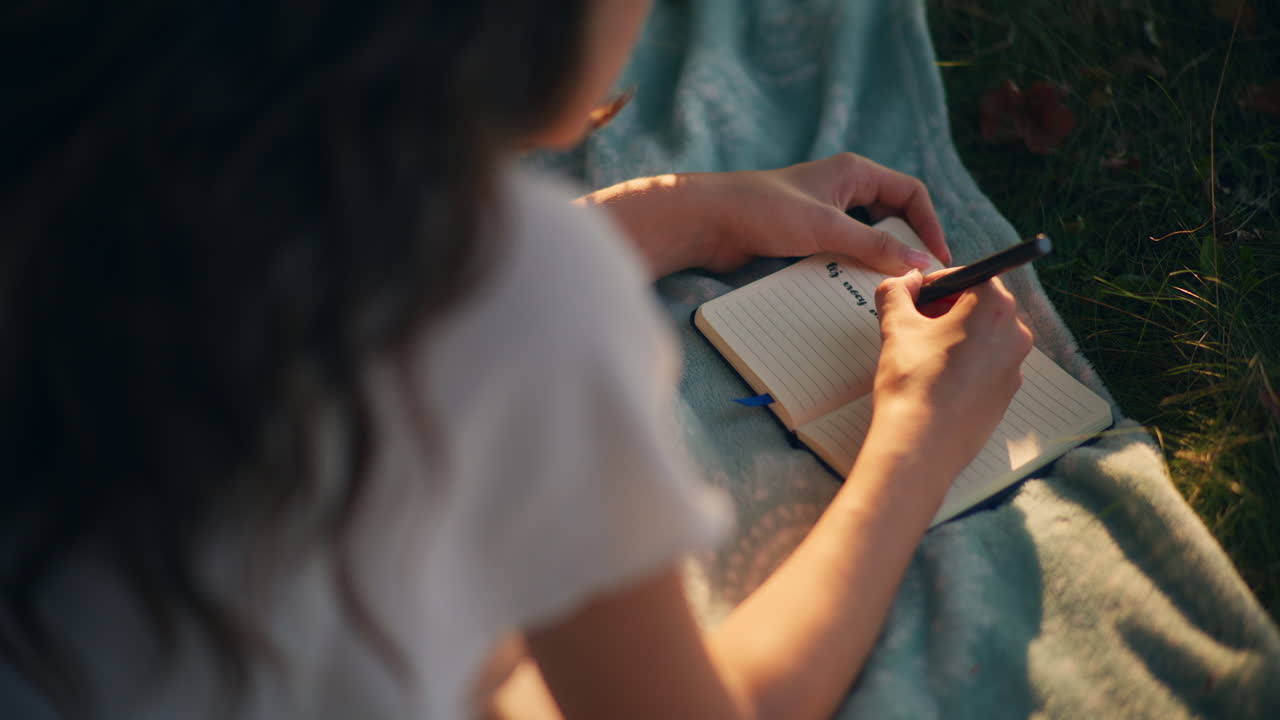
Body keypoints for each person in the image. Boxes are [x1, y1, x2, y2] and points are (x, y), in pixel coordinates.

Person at [0, 2, 1032, 718]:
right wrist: (914, 438)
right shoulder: (522, 295)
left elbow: (363, 300)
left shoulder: (89, 130)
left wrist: (688, 212)